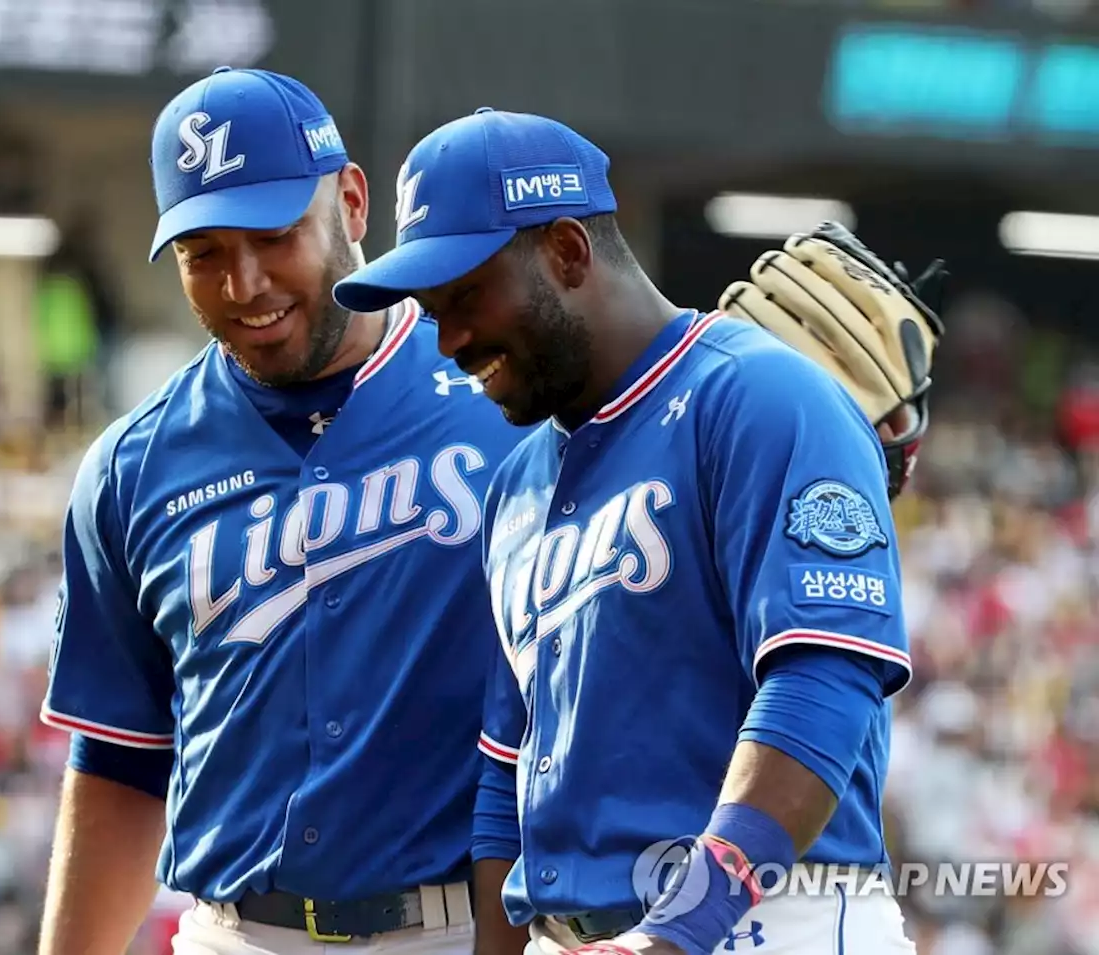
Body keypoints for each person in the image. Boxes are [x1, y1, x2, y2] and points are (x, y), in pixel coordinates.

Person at [332, 108, 944, 955]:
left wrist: (677, 931)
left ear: (569, 252)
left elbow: (825, 679)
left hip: (765, 920)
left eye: (466, 296)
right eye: (431, 311)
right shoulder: (516, 485)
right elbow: (506, 771)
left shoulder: (763, 397)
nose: (449, 340)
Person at [35, 69, 530, 955]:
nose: (245, 283)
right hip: (236, 934)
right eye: (204, 253)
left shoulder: (504, 399)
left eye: (274, 235)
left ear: (350, 201)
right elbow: (119, 759)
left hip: (467, 929)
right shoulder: (132, 466)